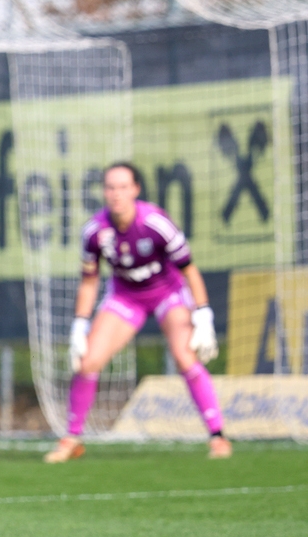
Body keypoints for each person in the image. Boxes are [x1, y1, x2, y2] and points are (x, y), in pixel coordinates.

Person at [44, 162, 231, 463]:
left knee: (185, 357)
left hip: (168, 293)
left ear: (135, 189)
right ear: (104, 192)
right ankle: (71, 439)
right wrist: (79, 325)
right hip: (126, 297)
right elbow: (89, 282)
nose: (116, 194)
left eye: (122, 187)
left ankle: (217, 436)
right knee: (88, 361)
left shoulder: (156, 223)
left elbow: (190, 270)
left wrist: (203, 313)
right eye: (110, 187)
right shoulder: (95, 232)